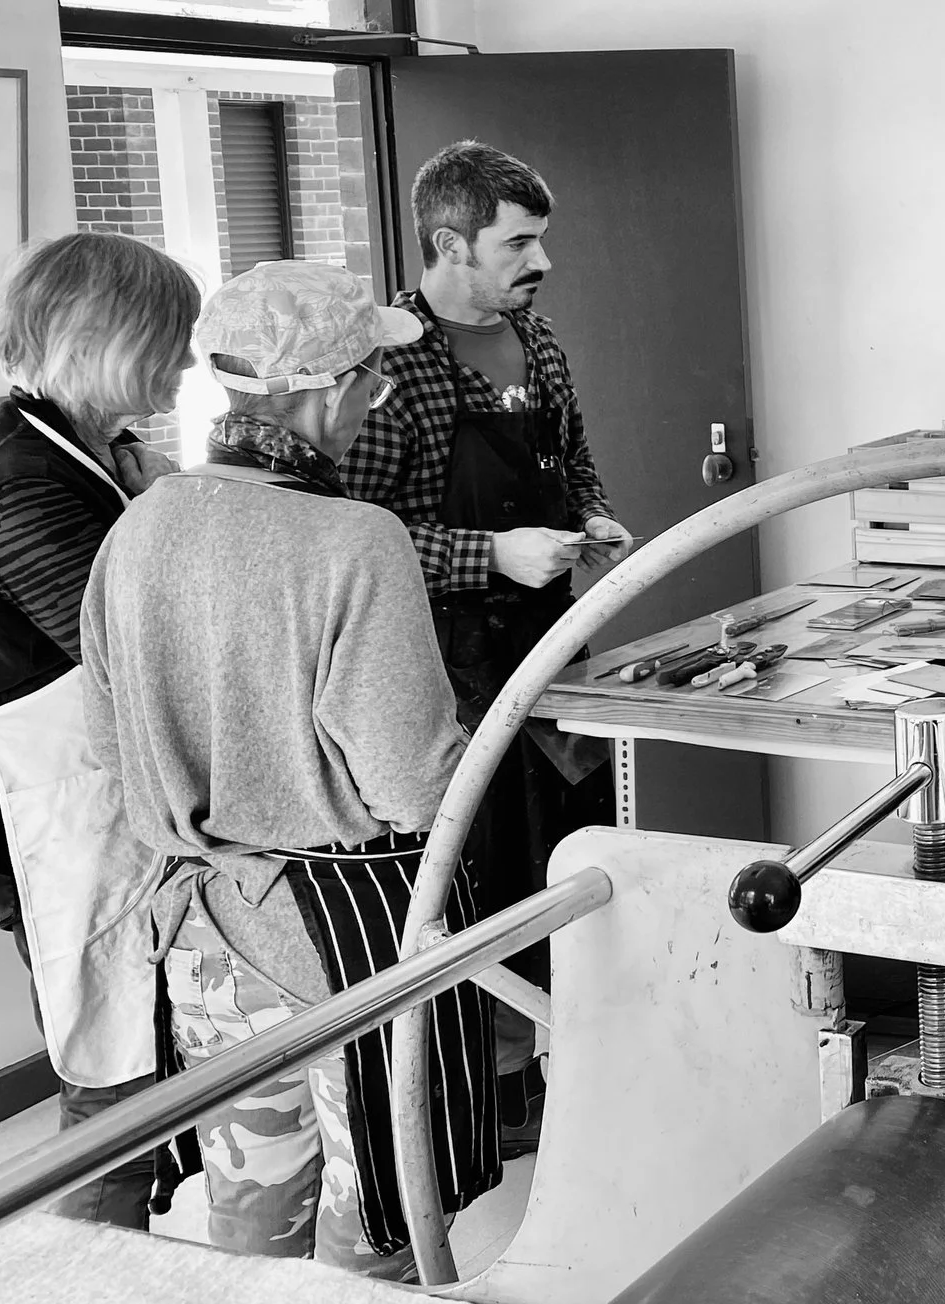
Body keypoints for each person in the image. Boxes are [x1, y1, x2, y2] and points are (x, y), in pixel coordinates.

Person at [81, 259, 496, 1276]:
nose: (372, 402)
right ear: (327, 390)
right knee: (378, 1245)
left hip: (204, 939)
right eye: (371, 382)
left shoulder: (138, 527)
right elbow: (413, 784)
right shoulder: (355, 539)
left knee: (248, 1237)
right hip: (349, 942)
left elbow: (108, 746)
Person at [347, 140, 631, 1144]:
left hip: (553, 644)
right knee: (487, 870)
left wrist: (591, 517)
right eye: (518, 243)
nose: (540, 261)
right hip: (451, 665)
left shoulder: (538, 339)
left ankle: (575, 1063)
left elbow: (576, 458)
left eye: (540, 239)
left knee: (572, 848)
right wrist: (489, 553)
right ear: (449, 243)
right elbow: (361, 539)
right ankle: (494, 1095)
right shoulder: (389, 362)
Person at [0, 230, 195, 1228]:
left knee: (139, 1062)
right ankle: (95, 1280)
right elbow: (122, 648)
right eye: (170, 338)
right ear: (94, 337)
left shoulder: (92, 453)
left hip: (99, 803)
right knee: (115, 1071)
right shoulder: (23, 480)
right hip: (54, 822)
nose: (185, 361)